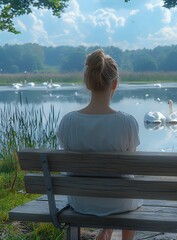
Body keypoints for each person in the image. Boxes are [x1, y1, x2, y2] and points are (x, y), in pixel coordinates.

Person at [57, 49, 142, 240]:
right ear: (115, 84)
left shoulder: (68, 122)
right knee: (125, 189)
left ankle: (106, 232)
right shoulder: (127, 122)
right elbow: (131, 166)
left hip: (81, 201)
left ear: (88, 83)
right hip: (120, 203)